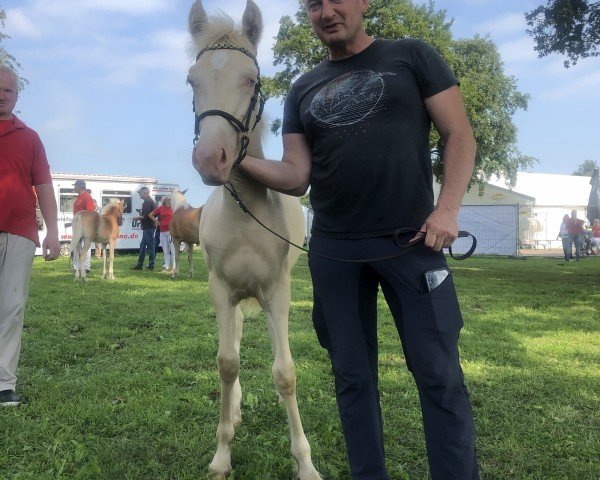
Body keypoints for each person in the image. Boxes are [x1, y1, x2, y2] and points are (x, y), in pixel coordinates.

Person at [210, 0, 480, 478]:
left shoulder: (412, 56)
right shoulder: (302, 88)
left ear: (364, 3)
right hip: (336, 252)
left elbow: (459, 133)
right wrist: (235, 161)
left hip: (415, 243)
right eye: (313, 4)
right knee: (352, 380)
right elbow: (296, 176)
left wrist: (448, 209)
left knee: (439, 375)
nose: (326, 11)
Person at [0, 64, 60, 407]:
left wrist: (53, 231)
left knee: (11, 306)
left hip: (20, 231)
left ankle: (4, 383)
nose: (2, 95)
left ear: (17, 96)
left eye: (9, 90)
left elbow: (44, 187)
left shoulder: (30, 137)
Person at [72, 179, 95, 273]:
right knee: (76, 246)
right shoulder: (78, 197)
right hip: (77, 225)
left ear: (79, 186)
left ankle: (86, 267)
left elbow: (90, 212)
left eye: (75, 186)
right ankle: (77, 266)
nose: (74, 187)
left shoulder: (87, 197)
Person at [131, 186, 156, 270]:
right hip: (148, 227)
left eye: (140, 193)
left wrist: (136, 218)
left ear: (144, 193)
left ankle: (150, 265)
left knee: (150, 246)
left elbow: (145, 216)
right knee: (143, 246)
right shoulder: (148, 201)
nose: (139, 195)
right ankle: (139, 265)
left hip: (149, 227)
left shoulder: (147, 202)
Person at [149, 196, 176, 273]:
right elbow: (150, 215)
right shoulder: (160, 208)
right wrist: (157, 222)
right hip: (162, 232)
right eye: (168, 199)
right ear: (165, 200)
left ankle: (174, 267)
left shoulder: (174, 208)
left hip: (171, 231)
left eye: (171, 199)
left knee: (173, 250)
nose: (170, 200)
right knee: (165, 250)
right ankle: (166, 267)